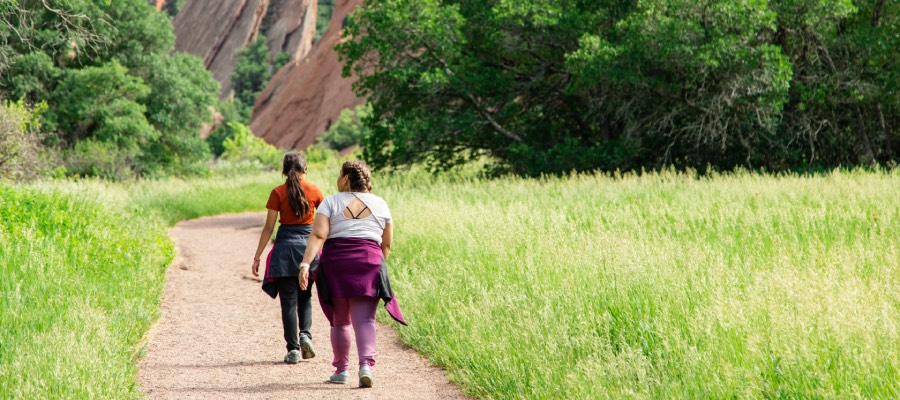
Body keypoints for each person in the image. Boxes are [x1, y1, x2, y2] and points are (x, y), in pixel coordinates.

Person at [299, 160, 406, 388]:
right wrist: (374, 267)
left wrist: (305, 264)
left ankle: (341, 370)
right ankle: (366, 366)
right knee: (365, 319)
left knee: (340, 322)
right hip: (370, 260)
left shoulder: (330, 202)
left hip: (337, 263)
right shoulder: (381, 204)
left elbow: (318, 236)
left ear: (346, 177)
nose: (337, 179)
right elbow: (386, 244)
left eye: (339, 175)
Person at [251, 153, 324, 364]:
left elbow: (268, 228)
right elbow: (325, 222)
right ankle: (305, 335)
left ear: (284, 171)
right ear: (305, 170)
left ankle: (293, 349)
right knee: (306, 296)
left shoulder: (277, 192)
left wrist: (257, 256)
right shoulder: (315, 190)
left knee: (288, 302)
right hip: (308, 249)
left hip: (284, 250)